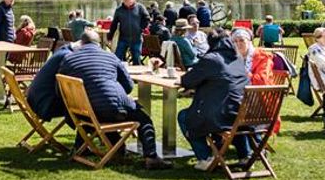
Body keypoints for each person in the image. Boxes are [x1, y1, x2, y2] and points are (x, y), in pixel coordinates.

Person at [59, 30, 171, 170]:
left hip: (82, 113)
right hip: (110, 109)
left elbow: (60, 87)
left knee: (98, 109)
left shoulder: (68, 59)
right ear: (99, 43)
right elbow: (129, 86)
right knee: (144, 119)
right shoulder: (110, 57)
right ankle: (151, 157)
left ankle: (82, 147)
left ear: (81, 43)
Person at [178, 30, 250, 170]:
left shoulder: (211, 59)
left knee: (184, 116)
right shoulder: (237, 58)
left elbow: (187, 81)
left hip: (220, 116)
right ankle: (245, 155)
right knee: (232, 111)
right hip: (243, 114)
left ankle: (205, 157)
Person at [25, 40, 80, 121]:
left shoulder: (61, 51)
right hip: (44, 106)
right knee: (82, 107)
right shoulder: (67, 57)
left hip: (33, 100)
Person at [109, 0, 149, 65]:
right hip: (123, 38)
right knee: (117, 58)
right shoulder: (119, 10)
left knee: (136, 59)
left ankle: (137, 72)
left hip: (136, 38)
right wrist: (110, 37)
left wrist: (141, 28)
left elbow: (147, 18)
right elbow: (114, 24)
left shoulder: (140, 7)